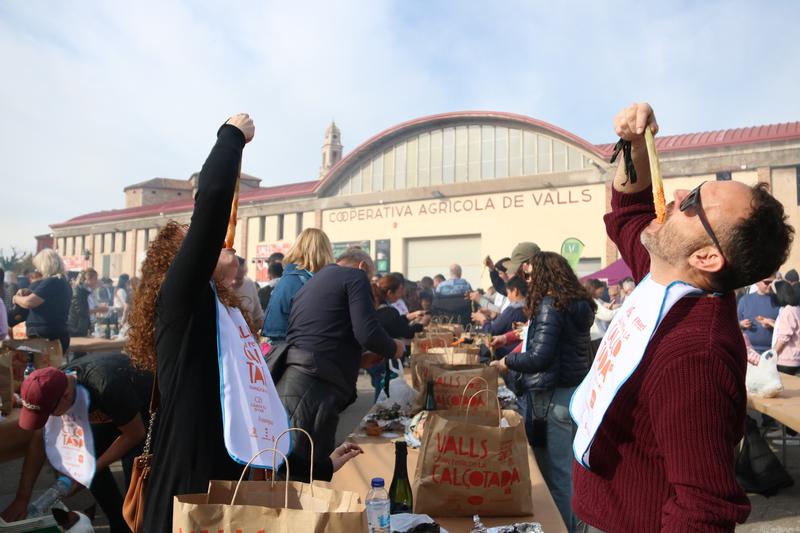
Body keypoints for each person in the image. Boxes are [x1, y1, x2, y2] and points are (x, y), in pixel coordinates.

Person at [125, 115, 360, 532]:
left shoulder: (224, 318)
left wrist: (321, 465)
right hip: (184, 497)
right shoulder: (180, 303)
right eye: (207, 245)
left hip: (224, 500)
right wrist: (231, 136)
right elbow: (213, 200)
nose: (223, 244)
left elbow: (252, 419)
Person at [569, 102, 793, 533]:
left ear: (707, 257)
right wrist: (634, 145)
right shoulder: (668, 278)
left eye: (691, 203)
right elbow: (630, 212)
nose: (674, 196)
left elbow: (704, 509)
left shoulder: (695, 353)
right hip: (596, 508)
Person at [276, 246, 404, 480]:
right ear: (363, 267)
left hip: (297, 377)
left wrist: (359, 361)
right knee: (308, 473)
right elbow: (367, 332)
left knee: (299, 465)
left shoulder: (316, 281)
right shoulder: (355, 276)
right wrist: (395, 348)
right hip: (315, 384)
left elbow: (324, 334)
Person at [490, 252, 595, 531]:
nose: (528, 280)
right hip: (572, 394)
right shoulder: (578, 303)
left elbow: (539, 356)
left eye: (530, 274)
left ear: (545, 274)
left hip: (551, 397)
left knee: (556, 477)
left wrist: (506, 362)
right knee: (569, 473)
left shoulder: (551, 304)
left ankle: (563, 528)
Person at [0, 354, 152, 532]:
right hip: (112, 411)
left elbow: (135, 434)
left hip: (146, 412)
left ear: (65, 396)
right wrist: (22, 498)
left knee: (135, 478)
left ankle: (139, 524)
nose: (48, 418)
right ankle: (119, 523)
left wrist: (93, 469)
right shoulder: (52, 384)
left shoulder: (106, 386)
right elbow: (38, 441)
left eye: (49, 413)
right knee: (84, 460)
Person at [260, 228, 335, 343]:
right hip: (302, 350)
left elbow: (273, 327)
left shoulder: (288, 280)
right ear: (326, 251)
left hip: (292, 349)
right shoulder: (328, 281)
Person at [368, 273, 429, 399]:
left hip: (374, 357)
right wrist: (422, 324)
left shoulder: (382, 309)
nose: (401, 294)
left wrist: (410, 316)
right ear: (390, 292)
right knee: (384, 395)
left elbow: (395, 323)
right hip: (384, 359)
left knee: (382, 392)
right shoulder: (388, 311)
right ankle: (378, 417)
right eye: (400, 291)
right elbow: (405, 331)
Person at [12, 249, 72, 352]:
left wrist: (16, 298)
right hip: (55, 333)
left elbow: (29, 302)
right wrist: (30, 293)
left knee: (41, 367)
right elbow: (47, 301)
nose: (37, 269)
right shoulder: (62, 282)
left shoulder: (52, 281)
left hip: (46, 336)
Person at [473, 276, 528, 357]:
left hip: (508, 353)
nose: (508, 297)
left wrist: (483, 319)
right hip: (521, 353)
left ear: (515, 291)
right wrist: (493, 315)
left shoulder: (513, 310)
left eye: (508, 293)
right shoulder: (529, 307)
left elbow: (491, 331)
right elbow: (518, 329)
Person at [738, 274, 780, 354]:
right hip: (748, 351)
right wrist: (741, 324)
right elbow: (734, 324)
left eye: (773, 282)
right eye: (767, 283)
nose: (770, 285)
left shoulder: (779, 301)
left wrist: (772, 323)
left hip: (771, 351)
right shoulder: (745, 300)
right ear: (757, 282)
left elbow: (787, 328)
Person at [770, 280, 800, 376]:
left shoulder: (788, 311)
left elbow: (783, 338)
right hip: (793, 359)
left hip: (785, 360)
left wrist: (771, 355)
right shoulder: (795, 309)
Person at [67, 268, 107, 337]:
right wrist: (99, 310)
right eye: (95, 279)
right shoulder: (78, 291)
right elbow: (82, 311)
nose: (96, 281)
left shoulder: (86, 291)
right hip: (76, 328)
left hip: (83, 327)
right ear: (88, 278)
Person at [584, 279, 619, 357]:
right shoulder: (592, 301)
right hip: (596, 338)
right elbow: (607, 316)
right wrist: (622, 309)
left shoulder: (589, 300)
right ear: (593, 290)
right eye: (600, 293)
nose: (601, 295)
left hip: (593, 337)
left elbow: (604, 305)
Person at [233, 256, 265, 331]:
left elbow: (259, 317)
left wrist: (249, 331)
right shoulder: (218, 288)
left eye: (241, 278)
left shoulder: (249, 283)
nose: (237, 282)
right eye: (235, 278)